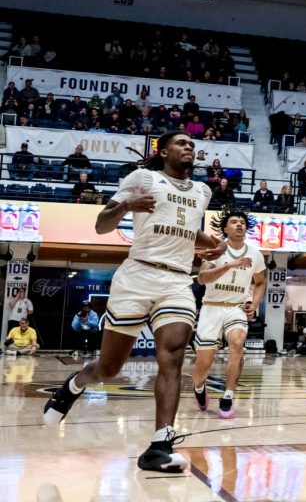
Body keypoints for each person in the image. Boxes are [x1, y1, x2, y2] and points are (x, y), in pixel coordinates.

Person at [42, 132, 224, 473]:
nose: (189, 147)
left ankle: (159, 446)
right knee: (109, 369)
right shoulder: (143, 178)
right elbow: (101, 225)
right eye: (181, 142)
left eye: (192, 144)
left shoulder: (203, 191)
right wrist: (126, 205)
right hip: (137, 276)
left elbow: (180, 230)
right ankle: (74, 385)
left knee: (172, 355)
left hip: (177, 281)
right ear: (163, 150)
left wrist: (210, 242)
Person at [192, 210, 267, 420]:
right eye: (234, 222)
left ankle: (228, 396)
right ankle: (199, 388)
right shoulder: (214, 250)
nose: (239, 225)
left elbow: (260, 282)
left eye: (242, 222)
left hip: (236, 307)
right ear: (225, 228)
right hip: (211, 308)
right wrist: (228, 265)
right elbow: (202, 279)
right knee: (203, 365)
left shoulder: (255, 254)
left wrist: (255, 302)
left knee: (237, 343)